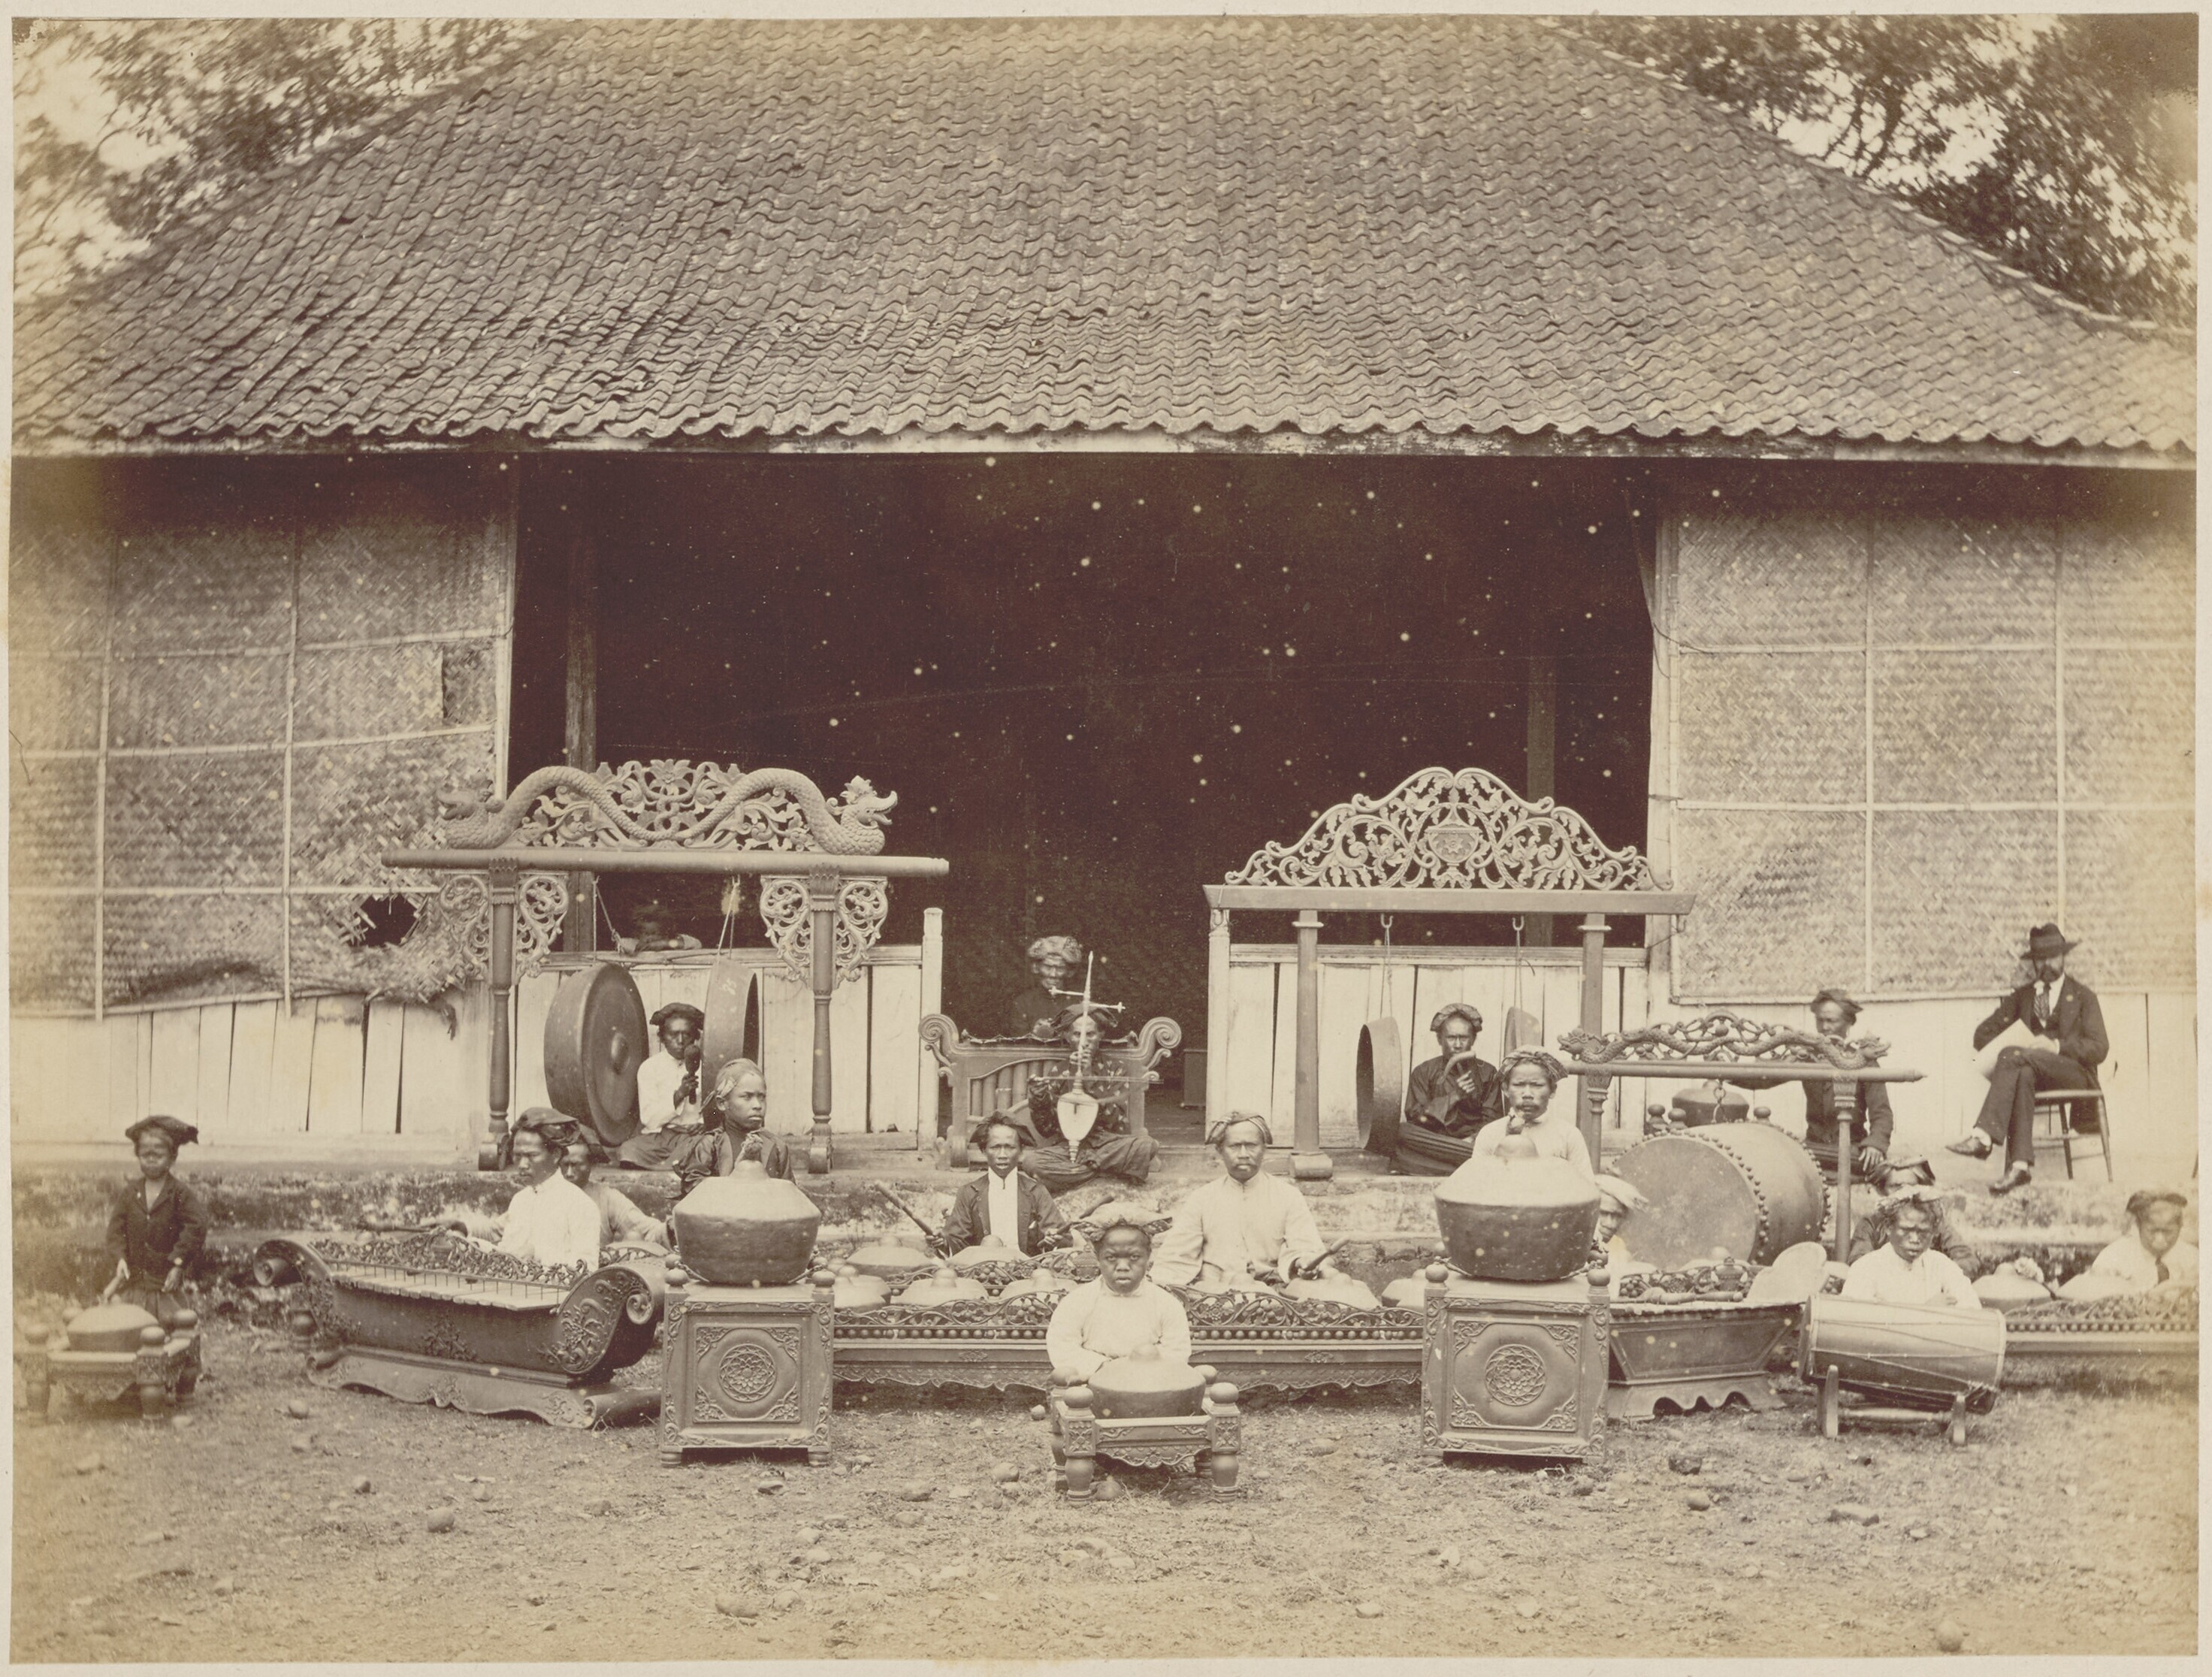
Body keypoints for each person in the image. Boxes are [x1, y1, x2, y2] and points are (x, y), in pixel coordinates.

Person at [1949, 923, 2107, 1195]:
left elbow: (2099, 1047)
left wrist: (2056, 1046)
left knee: (2014, 1058)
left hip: (2073, 1073)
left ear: (2063, 957)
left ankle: (1983, 1137)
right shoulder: (2022, 997)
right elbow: (1981, 1035)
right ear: (2033, 962)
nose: (2046, 964)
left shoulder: (2083, 997)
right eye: (2040, 959)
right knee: (2021, 1071)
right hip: (2033, 1074)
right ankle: (2020, 1167)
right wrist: (2015, 1044)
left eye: (2052, 957)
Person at [1736, 989, 1894, 1182]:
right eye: (1820, 1020)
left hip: (1852, 1149)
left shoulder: (1864, 1062)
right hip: (1814, 1147)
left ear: (1849, 1023)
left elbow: (1882, 1113)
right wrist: (1726, 1073)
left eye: (1831, 1021)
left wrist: (1875, 1144)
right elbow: (1766, 1078)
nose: (1825, 1027)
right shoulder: (1807, 1056)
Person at [1153, 1113, 1326, 1289]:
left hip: (1274, 1292)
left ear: (1264, 1149)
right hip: (1217, 1291)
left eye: (1251, 1146)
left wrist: (1303, 1262)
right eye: (1234, 1146)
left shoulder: (1288, 1196)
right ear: (1220, 1151)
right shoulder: (1202, 1198)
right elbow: (1176, 1256)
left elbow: (1306, 1247)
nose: (1243, 1154)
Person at [1005, 1004, 1160, 1192]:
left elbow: (1115, 1122)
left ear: (1101, 1034)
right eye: (1078, 1035)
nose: (1084, 1042)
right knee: (1031, 1162)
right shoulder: (1059, 1071)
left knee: (1146, 1145)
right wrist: (1039, 1098)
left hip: (1108, 1145)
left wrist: (1089, 1079)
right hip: (1069, 1148)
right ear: (1067, 1036)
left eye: (1091, 1035)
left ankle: (1073, 1176)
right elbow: (1046, 1129)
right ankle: (1102, 1175)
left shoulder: (1116, 1068)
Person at [432, 1110, 602, 1273]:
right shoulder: (521, 1200)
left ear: (556, 1155)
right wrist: (463, 1231)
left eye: (531, 1156)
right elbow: (498, 1236)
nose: (522, 1164)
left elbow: (587, 1269)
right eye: (518, 1156)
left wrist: (538, 1254)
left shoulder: (580, 1205)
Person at [1045, 1212, 1192, 1381]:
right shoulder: (1077, 1302)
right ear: (1098, 1258)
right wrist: (1105, 1367)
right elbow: (1063, 1346)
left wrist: (1139, 1369)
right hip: (1092, 1381)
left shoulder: (1166, 1304)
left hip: (1148, 1382)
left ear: (1148, 1256)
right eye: (1111, 1258)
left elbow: (1176, 1352)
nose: (1123, 1266)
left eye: (1134, 1257)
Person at [102, 1116, 209, 1330]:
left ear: (172, 1157)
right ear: (138, 1155)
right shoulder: (130, 1193)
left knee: (166, 1331)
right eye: (145, 1155)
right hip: (134, 1287)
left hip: (164, 1286)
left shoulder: (179, 1194)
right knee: (129, 1330)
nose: (151, 1160)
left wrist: (178, 1263)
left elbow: (196, 1226)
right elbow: (115, 1231)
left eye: (158, 1155)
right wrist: (120, 1258)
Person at [935, 1117, 1071, 1257]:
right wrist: (943, 1242)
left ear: (1021, 1151)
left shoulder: (1036, 1191)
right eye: (995, 1147)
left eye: (1010, 1147)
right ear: (984, 1150)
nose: (1002, 1155)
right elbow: (956, 1240)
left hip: (1027, 1266)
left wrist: (1054, 1239)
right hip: (983, 1266)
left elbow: (1062, 1236)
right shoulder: (969, 1193)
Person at [1839, 1190, 1980, 1310]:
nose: (1915, 1239)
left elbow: (1971, 1307)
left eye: (1923, 1232)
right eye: (1906, 1230)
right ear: (1888, 1227)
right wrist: (1926, 1311)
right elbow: (1855, 1320)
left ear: (1933, 1231)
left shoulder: (1940, 1264)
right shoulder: (1867, 1267)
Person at [673, 1059, 793, 1200]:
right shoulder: (710, 1145)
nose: (757, 1105)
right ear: (722, 1103)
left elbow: (790, 1196)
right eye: (747, 1097)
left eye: (762, 1097)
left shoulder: (777, 1147)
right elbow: (694, 1191)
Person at [1468, 1050, 1593, 1177]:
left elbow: (1585, 1185)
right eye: (1519, 1085)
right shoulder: (1490, 1134)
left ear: (1552, 1090)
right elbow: (1476, 1183)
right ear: (1506, 1089)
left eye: (1537, 1085)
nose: (1527, 1094)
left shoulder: (1568, 1136)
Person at [618, 1003, 706, 1169]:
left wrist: (703, 1124)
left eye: (687, 1034)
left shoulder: (707, 1066)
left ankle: (674, 1163)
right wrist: (679, 1095)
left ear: (695, 1037)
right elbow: (649, 1119)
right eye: (674, 1035)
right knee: (628, 1150)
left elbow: (717, 1110)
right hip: (661, 1137)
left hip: (695, 1136)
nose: (680, 1041)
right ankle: (675, 1164)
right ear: (662, 1037)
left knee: (704, 1147)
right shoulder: (650, 1068)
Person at [2062, 1190, 2196, 1297]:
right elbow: (2086, 1293)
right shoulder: (2114, 1256)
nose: (2160, 1238)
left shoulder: (2193, 1258)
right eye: (2152, 1231)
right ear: (2139, 1225)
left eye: (2168, 1232)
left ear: (2180, 1227)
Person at [562, 1144, 668, 1252]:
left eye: (576, 1165)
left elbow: (645, 1229)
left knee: (633, 1237)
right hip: (556, 1261)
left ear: (590, 1165)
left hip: (594, 1261)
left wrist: (670, 1227)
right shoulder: (552, 1193)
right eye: (565, 1165)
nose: (569, 1173)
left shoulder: (605, 1197)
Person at [1009, 935, 1083, 1039]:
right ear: (1036, 967)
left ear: (1069, 972)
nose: (1053, 974)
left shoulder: (1079, 1003)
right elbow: (1017, 1044)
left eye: (1060, 968)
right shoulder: (1023, 1003)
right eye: (1048, 967)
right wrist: (1033, 1034)